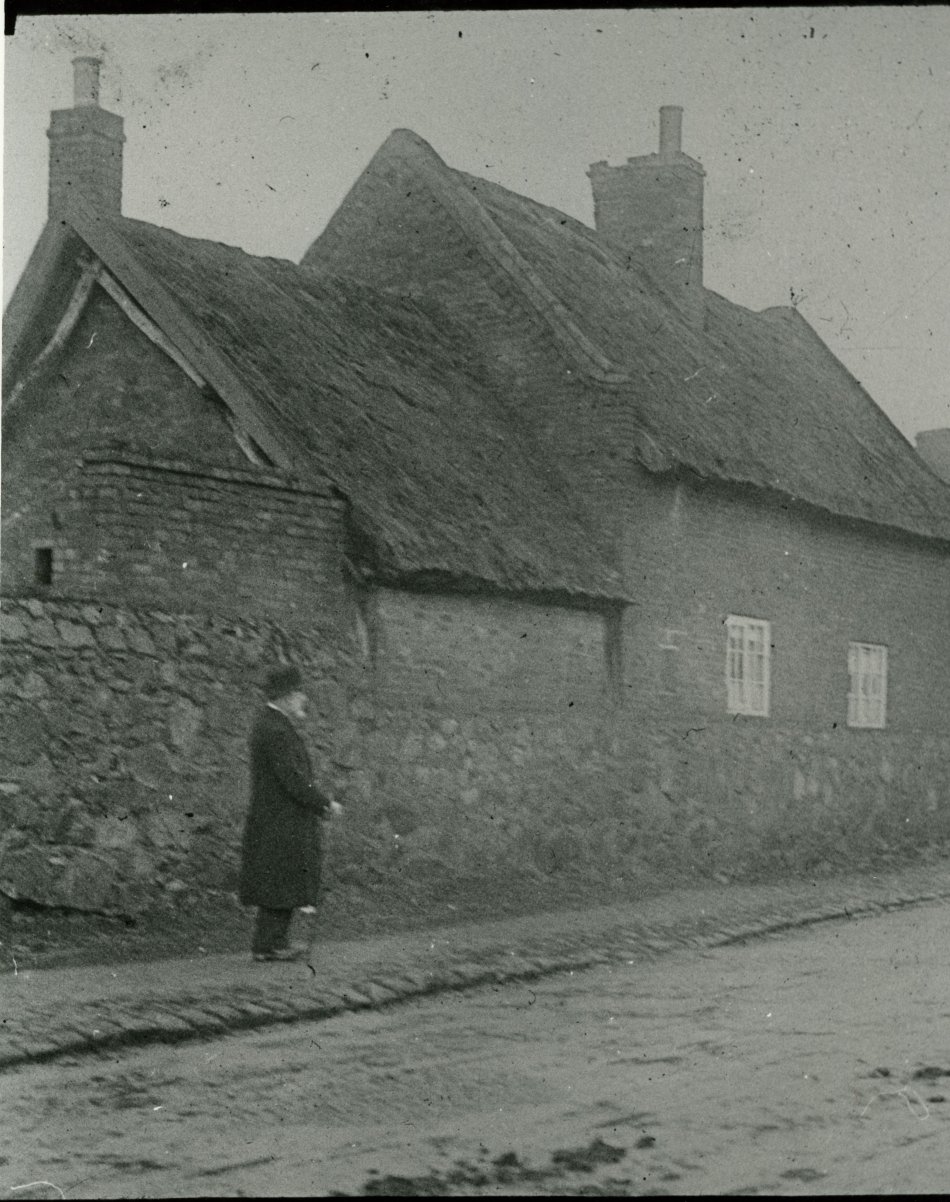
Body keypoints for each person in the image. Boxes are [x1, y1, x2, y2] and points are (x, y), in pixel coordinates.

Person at [238, 664, 342, 961]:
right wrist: (325, 804)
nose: (302, 700)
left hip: (277, 818)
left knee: (279, 880)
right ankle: (269, 945)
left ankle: (272, 942)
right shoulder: (276, 730)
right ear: (285, 696)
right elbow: (294, 779)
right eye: (298, 694)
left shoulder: (270, 725)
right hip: (280, 820)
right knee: (280, 880)